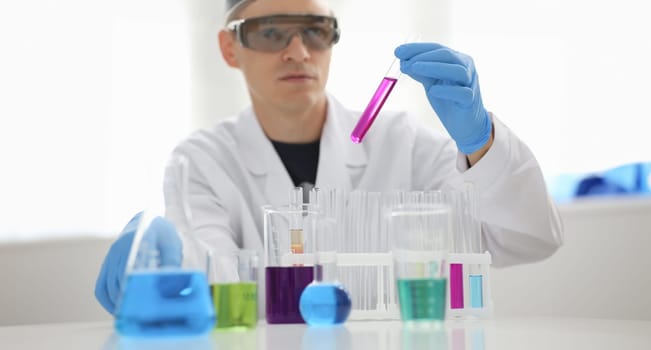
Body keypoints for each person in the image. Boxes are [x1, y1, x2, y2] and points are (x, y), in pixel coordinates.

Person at [95, 0, 564, 315]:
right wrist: (160, 257)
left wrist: (480, 142)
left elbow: (529, 238)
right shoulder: (202, 160)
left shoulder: (403, 142)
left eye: (316, 31)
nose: (297, 52)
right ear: (229, 48)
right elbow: (213, 277)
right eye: (270, 32)